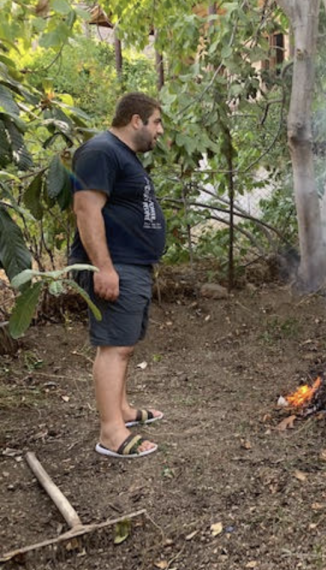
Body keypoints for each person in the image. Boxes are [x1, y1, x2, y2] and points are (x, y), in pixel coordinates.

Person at [70, 92, 166, 458]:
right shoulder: (101, 151)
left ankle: (122, 410)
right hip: (116, 265)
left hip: (131, 264)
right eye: (156, 122)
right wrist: (104, 267)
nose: (159, 131)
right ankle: (111, 432)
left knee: (124, 344)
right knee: (115, 347)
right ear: (136, 120)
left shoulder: (121, 155)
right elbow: (86, 209)